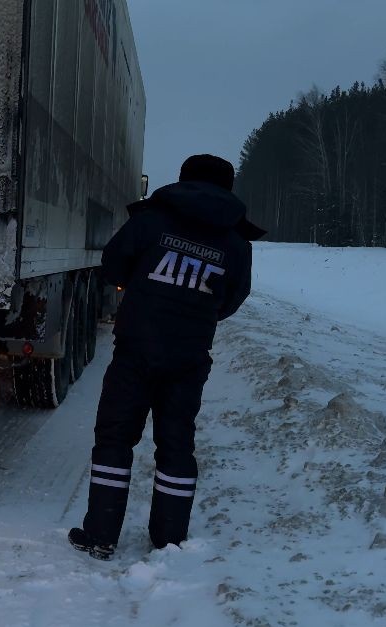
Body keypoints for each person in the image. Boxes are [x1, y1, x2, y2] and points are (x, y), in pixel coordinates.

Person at [69, 154, 265, 560]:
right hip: (189, 358)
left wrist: (141, 287)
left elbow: (112, 266)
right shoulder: (236, 243)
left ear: (184, 180)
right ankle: (168, 540)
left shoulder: (151, 220)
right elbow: (232, 299)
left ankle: (101, 534)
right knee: (176, 445)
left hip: (135, 351)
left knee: (115, 438)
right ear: (228, 189)